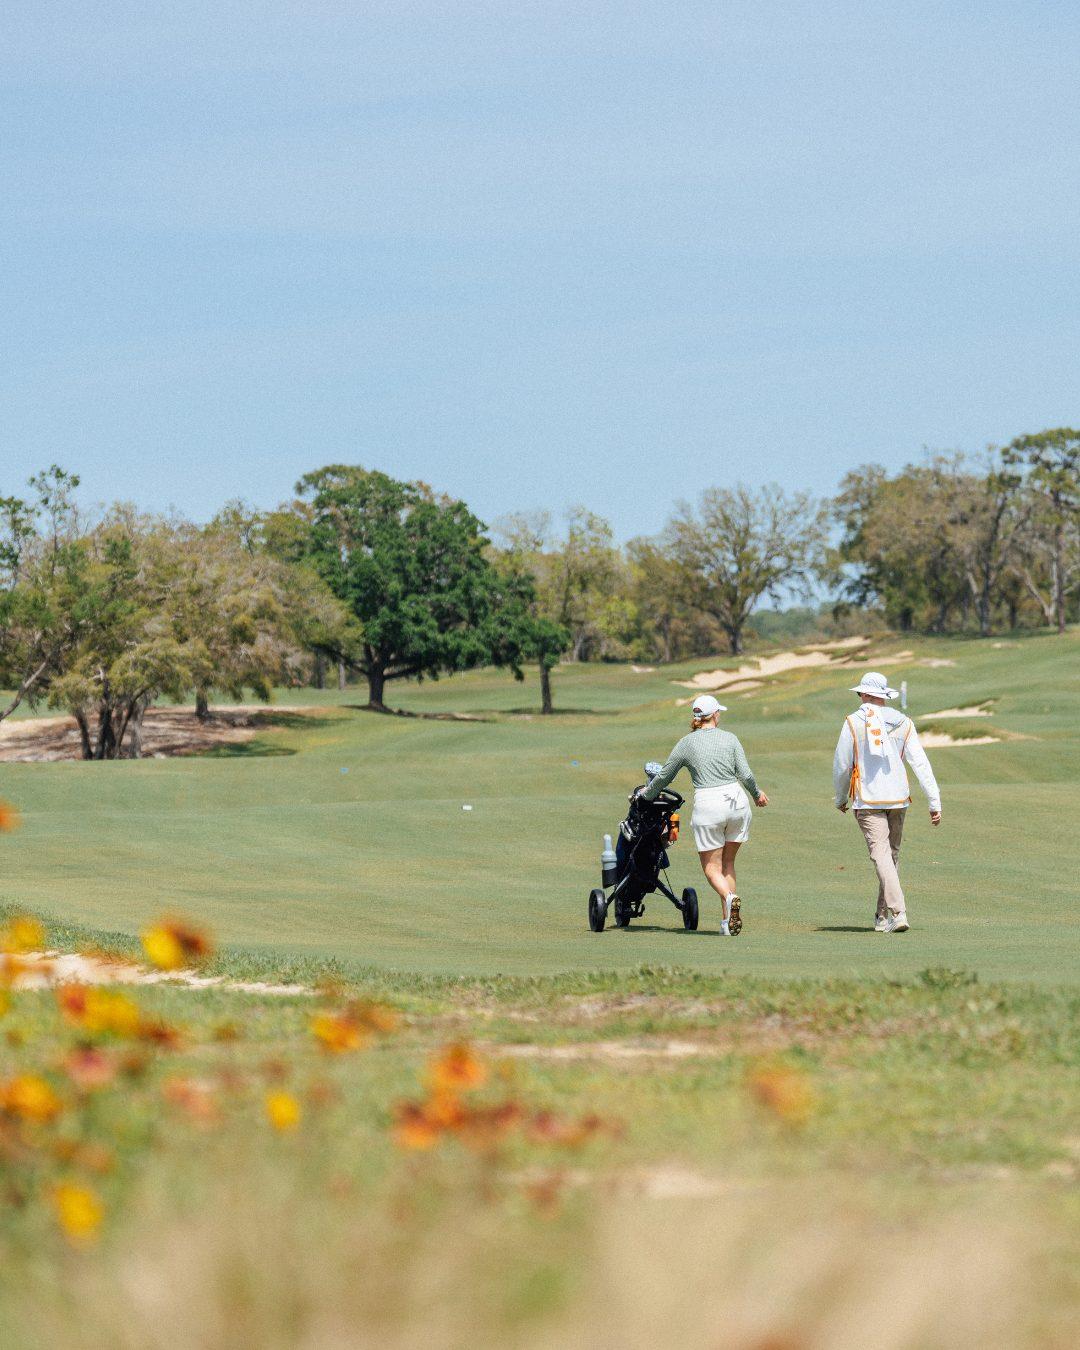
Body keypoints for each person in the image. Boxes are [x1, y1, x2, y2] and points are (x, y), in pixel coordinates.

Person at [641, 693, 768, 936]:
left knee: (711, 868)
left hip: (709, 805)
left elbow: (664, 776)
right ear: (715, 715)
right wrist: (756, 794)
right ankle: (727, 923)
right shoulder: (730, 738)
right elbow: (746, 775)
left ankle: (730, 898)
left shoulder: (686, 743)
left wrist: (646, 796)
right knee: (728, 863)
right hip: (737, 803)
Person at [832, 671, 941, 934]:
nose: (859, 697)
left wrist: (840, 797)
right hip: (898, 798)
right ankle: (882, 917)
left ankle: (898, 912)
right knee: (889, 857)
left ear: (867, 694)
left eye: (860, 693)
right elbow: (920, 763)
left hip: (868, 799)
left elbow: (842, 765)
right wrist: (934, 801)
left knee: (882, 856)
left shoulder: (852, 721)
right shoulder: (904, 722)